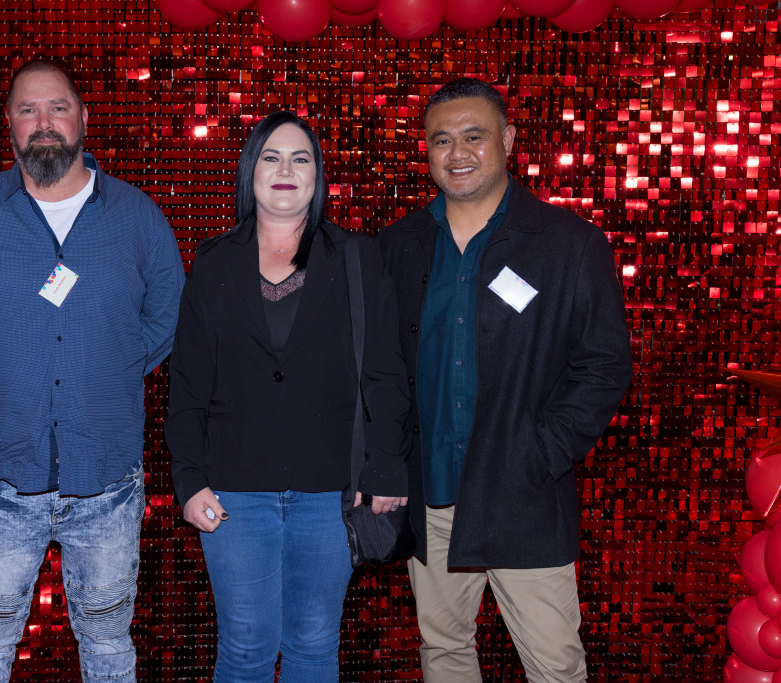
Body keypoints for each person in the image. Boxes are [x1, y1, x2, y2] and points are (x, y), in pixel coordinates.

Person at [0, 59, 184, 682]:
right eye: (28, 110)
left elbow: (166, 317)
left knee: (109, 649)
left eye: (57, 107)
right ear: (8, 123)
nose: (44, 122)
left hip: (107, 480)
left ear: (82, 117)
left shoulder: (137, 217)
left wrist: (111, 368)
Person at [378, 78, 632, 682]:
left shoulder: (568, 245)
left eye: (474, 136)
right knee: (444, 650)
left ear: (509, 140)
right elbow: (380, 370)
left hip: (524, 496)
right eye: (442, 140)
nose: (458, 153)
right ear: (426, 150)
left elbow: (604, 365)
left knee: (555, 667)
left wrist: (541, 453)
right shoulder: (397, 247)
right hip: (432, 497)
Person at [165, 111, 410, 682]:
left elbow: (385, 375)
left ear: (317, 176)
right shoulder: (212, 262)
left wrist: (387, 468)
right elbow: (188, 385)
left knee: (314, 644)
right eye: (271, 157)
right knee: (244, 648)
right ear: (250, 170)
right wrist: (188, 479)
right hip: (232, 491)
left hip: (331, 490)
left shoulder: (358, 257)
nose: (285, 169)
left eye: (301, 159)